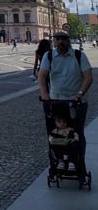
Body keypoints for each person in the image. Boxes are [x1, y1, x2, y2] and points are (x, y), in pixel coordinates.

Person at [38, 31, 93, 167]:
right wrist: (44, 94)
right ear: (54, 42)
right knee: (56, 132)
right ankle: (59, 158)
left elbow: (88, 77)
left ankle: (79, 161)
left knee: (77, 132)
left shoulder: (79, 55)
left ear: (69, 41)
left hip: (77, 102)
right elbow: (42, 76)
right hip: (56, 101)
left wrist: (80, 93)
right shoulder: (49, 56)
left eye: (64, 39)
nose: (61, 42)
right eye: (58, 39)